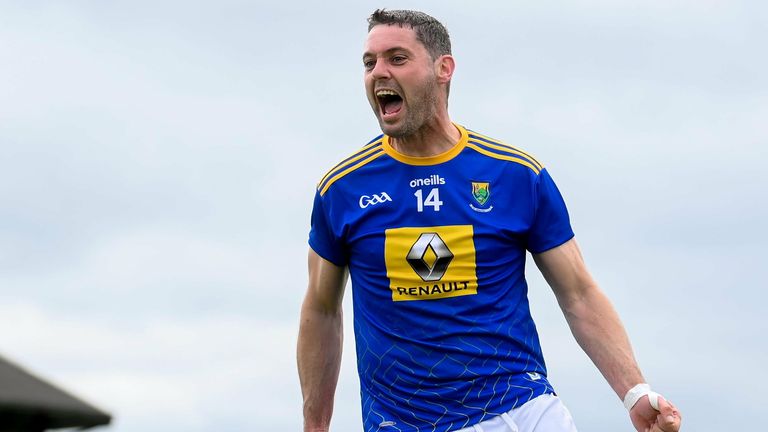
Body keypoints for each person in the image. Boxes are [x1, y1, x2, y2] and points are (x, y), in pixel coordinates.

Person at [297, 9, 682, 432]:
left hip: (521, 409)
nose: (379, 73)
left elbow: (578, 293)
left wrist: (634, 392)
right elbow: (321, 311)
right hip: (404, 422)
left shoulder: (515, 175)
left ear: (443, 68)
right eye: (369, 63)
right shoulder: (342, 188)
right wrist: (315, 425)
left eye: (397, 58)